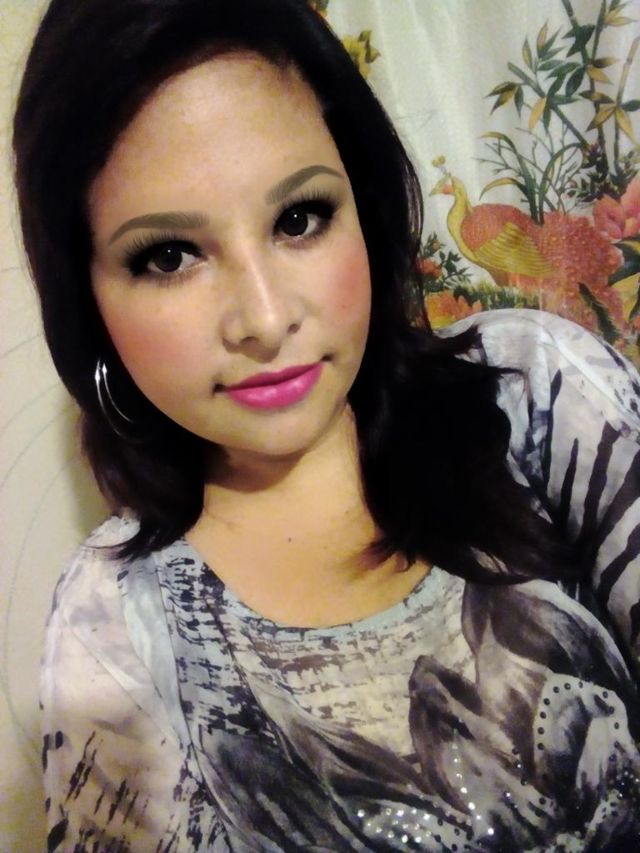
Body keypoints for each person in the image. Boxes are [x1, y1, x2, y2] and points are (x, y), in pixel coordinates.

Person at [13, 0, 640, 850]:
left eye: (299, 218)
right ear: (87, 300)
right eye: (168, 256)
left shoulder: (533, 392)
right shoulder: (113, 627)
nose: (265, 319)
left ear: (364, 204)